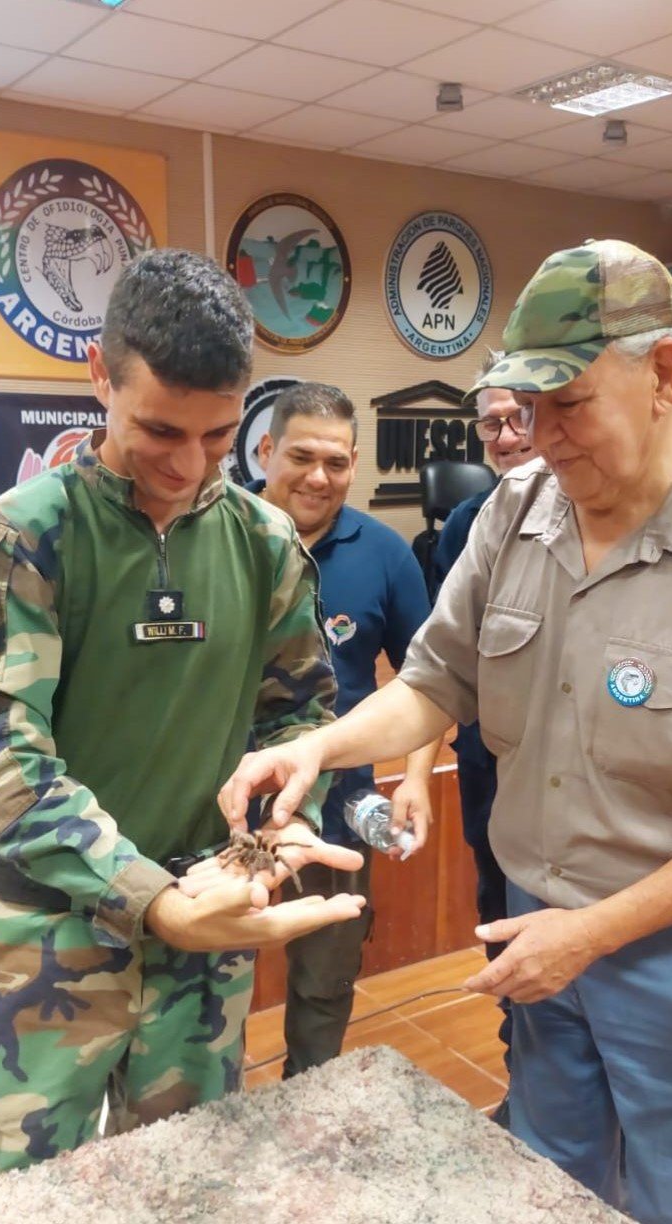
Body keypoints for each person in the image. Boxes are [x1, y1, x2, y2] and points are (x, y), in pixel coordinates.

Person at [219, 238, 672, 1224]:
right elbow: (434, 680)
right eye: (527, 405)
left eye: (569, 403)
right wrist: (318, 746)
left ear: (664, 375)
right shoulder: (517, 513)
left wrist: (587, 937)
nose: (540, 437)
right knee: (548, 1183)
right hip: (533, 929)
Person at [0, 248, 366, 1187]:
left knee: (192, 1186)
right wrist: (151, 899)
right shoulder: (27, 535)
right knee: (8, 1200)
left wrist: (260, 849)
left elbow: (299, 724)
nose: (184, 466)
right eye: (158, 430)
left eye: (215, 438)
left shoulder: (264, 543)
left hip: (204, 936)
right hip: (49, 937)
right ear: (100, 375)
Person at [251, 381, 438, 1078]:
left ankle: (311, 1104)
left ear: (355, 463)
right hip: (216, 814)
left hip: (334, 816)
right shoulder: (216, 533)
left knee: (325, 980)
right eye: (301, 457)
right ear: (266, 450)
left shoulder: (386, 554)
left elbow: (431, 678)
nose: (318, 478)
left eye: (336, 463)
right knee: (202, 988)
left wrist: (417, 775)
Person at [433, 351, 534, 1121]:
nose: (503, 437)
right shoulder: (471, 524)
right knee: (498, 918)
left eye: (517, 419)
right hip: (484, 764)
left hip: (564, 776)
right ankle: (525, 1084)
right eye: (489, 423)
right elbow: (440, 664)